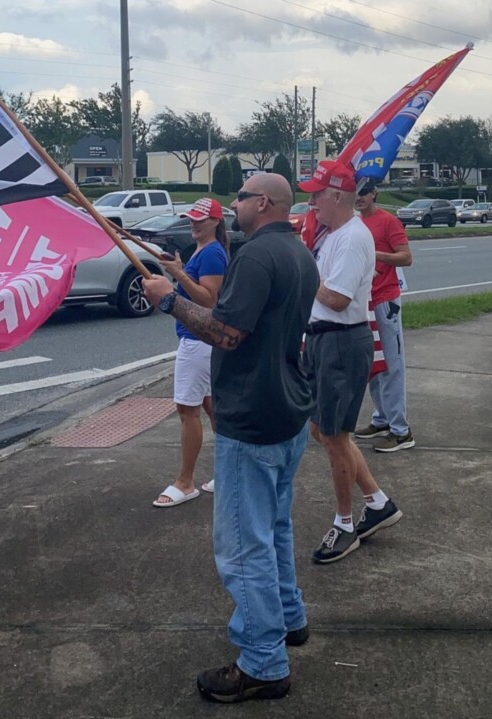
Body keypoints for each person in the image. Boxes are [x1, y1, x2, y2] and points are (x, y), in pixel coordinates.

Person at [143, 173, 319, 703]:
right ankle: (289, 617)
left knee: (243, 548)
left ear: (261, 203)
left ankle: (263, 662)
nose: (234, 205)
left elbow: (227, 333)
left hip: (254, 416)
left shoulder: (256, 256)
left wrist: (168, 299)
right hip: (286, 410)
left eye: (240, 197)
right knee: (275, 528)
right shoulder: (298, 252)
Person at [299, 161, 403, 565]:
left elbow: (338, 299)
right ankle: (377, 502)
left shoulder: (352, 238)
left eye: (317, 194)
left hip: (341, 343)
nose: (311, 202)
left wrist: (304, 273)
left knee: (335, 437)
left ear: (338, 196)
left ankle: (345, 526)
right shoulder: (335, 233)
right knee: (324, 431)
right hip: (325, 341)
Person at [153, 198, 229, 507]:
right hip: (198, 341)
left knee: (188, 410)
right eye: (191, 218)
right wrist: (180, 270)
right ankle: (227, 473)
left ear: (215, 221)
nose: (193, 222)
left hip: (197, 340)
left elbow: (209, 300)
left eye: (200, 218)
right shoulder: (203, 250)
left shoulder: (212, 253)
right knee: (213, 409)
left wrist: (177, 277)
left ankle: (185, 482)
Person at [354, 181, 415, 452]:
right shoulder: (355, 224)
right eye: (355, 194)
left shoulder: (388, 222)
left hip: (385, 300)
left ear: (373, 193)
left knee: (392, 364)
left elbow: (406, 257)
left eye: (364, 193)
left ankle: (401, 431)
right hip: (364, 300)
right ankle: (381, 418)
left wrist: (375, 254)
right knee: (374, 364)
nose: (359, 199)